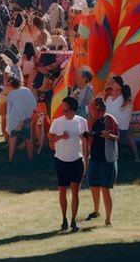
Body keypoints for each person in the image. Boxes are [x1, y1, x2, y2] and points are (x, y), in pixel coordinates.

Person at [48, 96, 89, 232]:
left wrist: (85, 160)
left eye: (64, 106)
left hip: (77, 160)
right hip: (61, 160)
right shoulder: (57, 122)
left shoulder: (82, 122)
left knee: (75, 191)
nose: (62, 108)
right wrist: (61, 137)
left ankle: (73, 220)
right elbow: (50, 141)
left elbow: (85, 140)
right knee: (62, 191)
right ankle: (64, 219)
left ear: (71, 108)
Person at [86, 97, 119, 225]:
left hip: (107, 159)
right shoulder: (93, 121)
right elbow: (91, 137)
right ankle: (96, 211)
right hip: (94, 158)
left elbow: (117, 135)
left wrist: (109, 136)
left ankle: (108, 219)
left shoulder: (109, 119)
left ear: (98, 108)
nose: (90, 109)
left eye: (92, 107)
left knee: (105, 188)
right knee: (93, 185)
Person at [106, 75, 140, 163]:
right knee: (129, 133)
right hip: (123, 130)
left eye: (113, 82)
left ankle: (110, 158)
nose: (111, 84)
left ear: (119, 86)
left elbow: (109, 116)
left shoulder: (121, 100)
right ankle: (137, 157)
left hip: (117, 130)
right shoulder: (119, 99)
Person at [5, 76, 37, 162]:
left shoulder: (10, 95)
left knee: (13, 139)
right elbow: (33, 105)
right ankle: (30, 159)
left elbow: (9, 111)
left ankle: (10, 159)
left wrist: (9, 126)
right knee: (28, 139)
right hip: (28, 119)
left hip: (16, 120)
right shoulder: (27, 90)